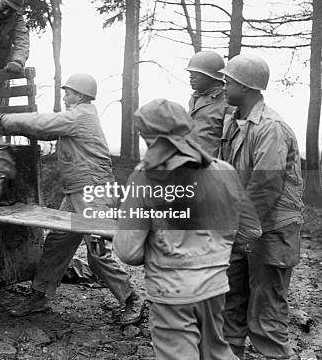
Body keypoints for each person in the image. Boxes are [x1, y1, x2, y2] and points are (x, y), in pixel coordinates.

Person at [0, 73, 144, 325]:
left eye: (68, 91)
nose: (65, 95)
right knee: (57, 244)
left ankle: (132, 299)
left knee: (97, 254)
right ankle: (39, 295)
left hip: (94, 192)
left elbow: (43, 123)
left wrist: (3, 120)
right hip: (76, 192)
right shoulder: (78, 116)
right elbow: (47, 132)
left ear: (80, 94)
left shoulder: (81, 115)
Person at [113, 99, 261, 360]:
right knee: (216, 354)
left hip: (171, 294)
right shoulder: (224, 170)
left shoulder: (145, 178)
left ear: (148, 137)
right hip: (215, 288)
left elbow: (128, 251)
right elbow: (251, 231)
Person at [219, 54, 304, 359]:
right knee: (230, 305)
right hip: (243, 226)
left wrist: (236, 229)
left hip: (271, 230)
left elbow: (265, 187)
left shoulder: (271, 128)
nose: (224, 85)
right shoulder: (233, 122)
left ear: (246, 86)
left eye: (229, 81)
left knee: (267, 315)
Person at [186, 50, 231, 157]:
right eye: (190, 74)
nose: (191, 77)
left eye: (196, 74)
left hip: (213, 167)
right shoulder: (195, 98)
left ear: (211, 76)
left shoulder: (227, 102)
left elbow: (232, 145)